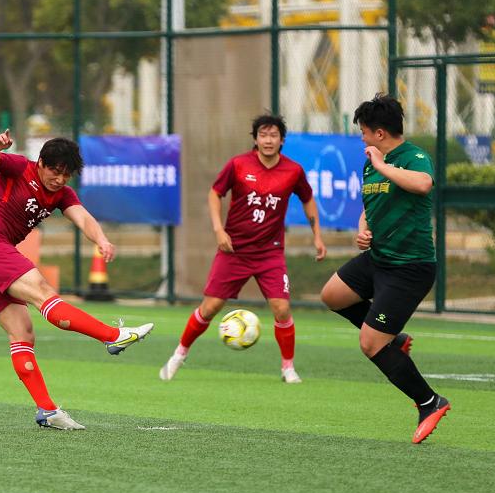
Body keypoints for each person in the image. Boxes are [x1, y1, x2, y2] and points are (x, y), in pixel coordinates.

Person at [0, 130, 153, 430]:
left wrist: (101, 239)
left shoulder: (63, 194)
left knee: (23, 334)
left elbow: (83, 218)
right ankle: (111, 336)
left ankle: (48, 411)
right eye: (55, 171)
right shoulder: (19, 167)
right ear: (41, 163)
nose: (60, 179)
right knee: (43, 292)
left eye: (67, 174)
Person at [319, 93, 449, 444]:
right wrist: (363, 228)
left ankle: (429, 401)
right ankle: (398, 338)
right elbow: (370, 204)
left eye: (363, 131)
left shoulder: (413, 157)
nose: (361, 137)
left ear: (379, 133)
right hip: (378, 258)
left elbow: (422, 185)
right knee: (332, 295)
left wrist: (382, 165)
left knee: (370, 343)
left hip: (410, 266)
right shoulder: (373, 161)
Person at [160, 114, 326, 383]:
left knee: (282, 309)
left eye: (273, 135)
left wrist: (317, 235)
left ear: (282, 140)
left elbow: (307, 198)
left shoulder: (293, 171)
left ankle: (288, 368)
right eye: (263, 135)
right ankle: (179, 354)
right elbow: (215, 193)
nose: (268, 140)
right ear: (255, 139)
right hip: (233, 251)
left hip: (270, 252)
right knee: (210, 308)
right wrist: (218, 230)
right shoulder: (238, 165)